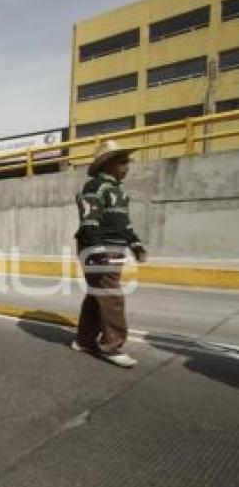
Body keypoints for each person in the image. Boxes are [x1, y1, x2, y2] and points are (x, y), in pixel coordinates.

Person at [73, 140, 146, 368]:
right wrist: (97, 250)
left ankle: (84, 340)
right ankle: (112, 346)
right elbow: (90, 220)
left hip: (113, 247)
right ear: (109, 164)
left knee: (97, 294)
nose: (127, 166)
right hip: (99, 246)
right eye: (122, 162)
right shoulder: (96, 187)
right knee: (111, 296)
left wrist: (135, 244)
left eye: (127, 162)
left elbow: (123, 223)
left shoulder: (118, 191)